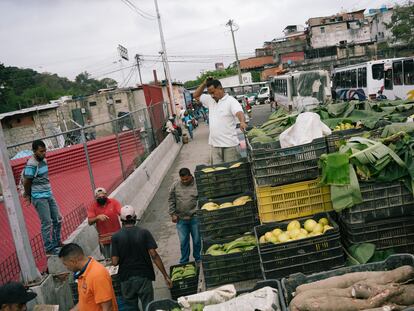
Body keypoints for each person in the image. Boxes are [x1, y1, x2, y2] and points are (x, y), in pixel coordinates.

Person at [111, 205, 172, 311]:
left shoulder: (116, 237)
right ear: (135, 218)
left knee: (131, 307)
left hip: (126, 278)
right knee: (148, 306)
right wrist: (165, 276)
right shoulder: (144, 233)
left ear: (121, 220)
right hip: (144, 276)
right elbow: (154, 255)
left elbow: (115, 262)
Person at [23, 139, 63, 256]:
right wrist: (28, 196)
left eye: (45, 151)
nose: (44, 153)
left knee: (58, 218)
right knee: (46, 222)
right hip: (39, 197)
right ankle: (48, 248)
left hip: (48, 194)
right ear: (34, 151)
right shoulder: (31, 164)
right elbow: (27, 182)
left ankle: (56, 242)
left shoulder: (44, 160)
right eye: (41, 151)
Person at [193, 78, 247, 164]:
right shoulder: (210, 100)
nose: (212, 95)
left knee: (232, 173)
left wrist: (242, 122)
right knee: (218, 173)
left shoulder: (231, 101)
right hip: (215, 146)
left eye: (213, 92)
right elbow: (195, 95)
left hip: (230, 146)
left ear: (220, 88)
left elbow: (239, 112)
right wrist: (203, 84)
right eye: (210, 93)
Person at [59, 243, 118, 311]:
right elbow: (85, 301)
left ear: (73, 261)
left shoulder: (97, 275)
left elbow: (107, 308)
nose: (66, 268)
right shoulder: (84, 273)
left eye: (65, 264)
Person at [168, 168, 200, 264]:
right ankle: (184, 261)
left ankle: (198, 258)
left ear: (190, 176)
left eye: (187, 179)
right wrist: (172, 214)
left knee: (197, 240)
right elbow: (171, 200)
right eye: (183, 180)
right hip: (181, 219)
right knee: (183, 242)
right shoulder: (175, 185)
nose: (185, 181)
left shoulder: (197, 184)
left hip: (195, 217)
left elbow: (201, 199)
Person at [87, 187, 121, 259]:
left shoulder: (113, 202)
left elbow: (120, 211)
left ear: (106, 195)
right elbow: (89, 221)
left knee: (121, 256)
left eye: (103, 196)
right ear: (96, 197)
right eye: (99, 197)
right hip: (104, 239)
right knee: (108, 259)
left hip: (117, 236)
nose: (101, 198)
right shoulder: (93, 207)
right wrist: (97, 217)